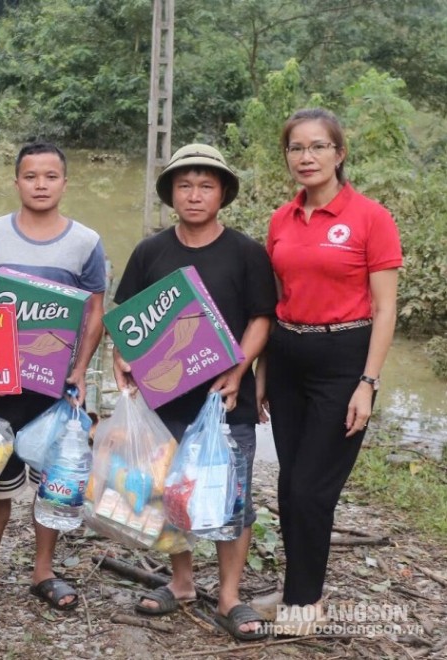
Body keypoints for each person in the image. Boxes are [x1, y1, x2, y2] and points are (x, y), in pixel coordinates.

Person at [113, 144, 276, 641]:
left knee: (235, 498)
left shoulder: (246, 252)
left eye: (206, 185)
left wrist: (240, 368)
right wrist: (123, 357)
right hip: (165, 399)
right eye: (184, 185)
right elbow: (126, 319)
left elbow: (260, 318)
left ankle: (229, 595)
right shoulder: (151, 251)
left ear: (223, 193)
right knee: (169, 491)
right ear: (171, 194)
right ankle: (182, 581)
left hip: (226, 399)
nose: (195, 194)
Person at [258, 109, 401, 635]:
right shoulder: (281, 219)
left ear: (339, 154)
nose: (307, 157)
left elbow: (385, 310)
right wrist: (264, 370)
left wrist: (368, 382)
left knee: (315, 488)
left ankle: (305, 603)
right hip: (289, 358)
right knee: (290, 484)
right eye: (296, 148)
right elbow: (277, 300)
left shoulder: (369, 217)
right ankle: (298, 590)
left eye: (318, 147)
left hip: (344, 362)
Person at [0, 142, 107, 614]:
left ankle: (43, 570)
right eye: (30, 176)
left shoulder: (85, 241)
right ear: (16, 182)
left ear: (65, 182)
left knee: (53, 482)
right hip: (1, 384)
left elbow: (94, 311)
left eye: (50, 176)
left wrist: (81, 370)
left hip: (55, 386)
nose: (40, 184)